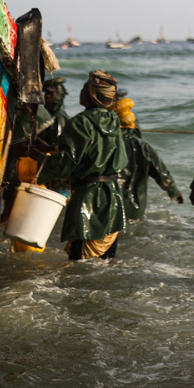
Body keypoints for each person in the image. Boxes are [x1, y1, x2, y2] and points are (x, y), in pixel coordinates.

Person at [38, 70, 128, 260]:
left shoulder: (80, 121)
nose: (80, 92)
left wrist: (37, 162)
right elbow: (96, 152)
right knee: (105, 265)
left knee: (80, 265)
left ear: (91, 95)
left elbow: (66, 163)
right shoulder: (113, 120)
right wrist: (53, 148)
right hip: (113, 197)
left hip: (88, 198)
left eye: (84, 88)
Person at [114, 94, 183, 220]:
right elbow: (161, 173)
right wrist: (174, 192)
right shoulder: (143, 146)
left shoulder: (104, 144)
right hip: (134, 207)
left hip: (108, 205)